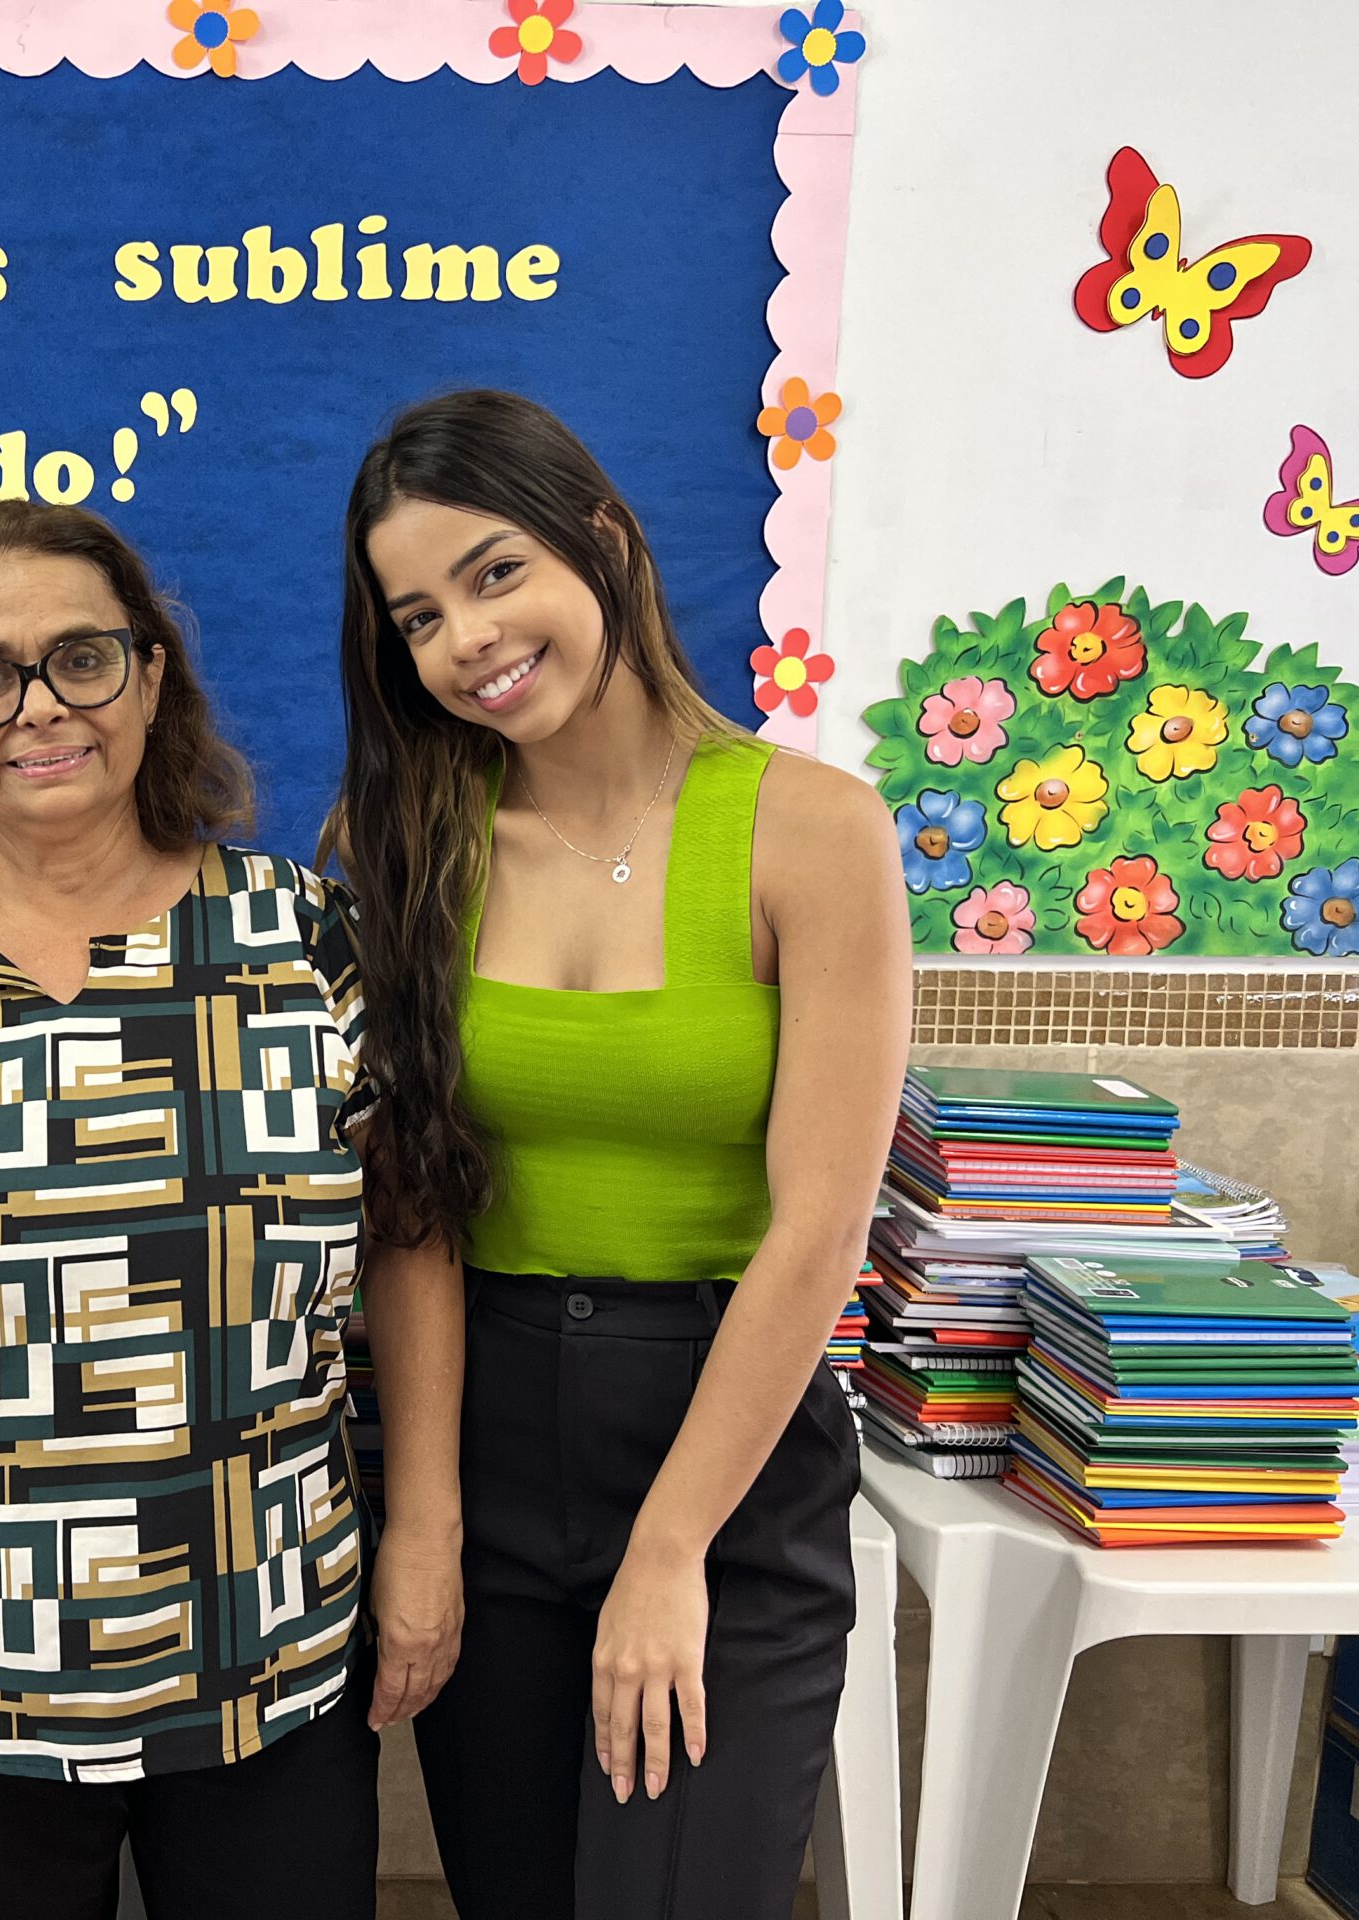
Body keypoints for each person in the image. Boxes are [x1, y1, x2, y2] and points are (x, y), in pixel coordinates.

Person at [0, 501, 453, 1920]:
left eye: (82, 659)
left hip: (261, 1633)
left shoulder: (305, 945)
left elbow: (413, 1242)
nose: (38, 708)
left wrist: (428, 1535)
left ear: (153, 673)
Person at [327, 390, 910, 1919]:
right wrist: (427, 1527)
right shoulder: (394, 841)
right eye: (418, 613)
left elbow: (818, 1231)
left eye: (495, 571)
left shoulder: (814, 831)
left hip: (726, 1445)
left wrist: (671, 1552)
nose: (466, 635)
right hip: (484, 1428)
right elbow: (415, 1215)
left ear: (606, 540)